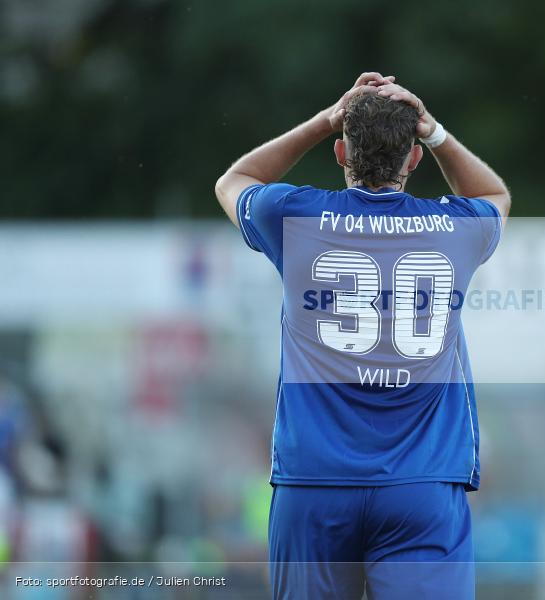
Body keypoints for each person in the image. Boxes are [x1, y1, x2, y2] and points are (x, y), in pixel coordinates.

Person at [214, 72, 510, 600]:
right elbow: (493, 192)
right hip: (422, 483)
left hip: (314, 481)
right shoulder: (456, 228)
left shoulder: (295, 214)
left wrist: (325, 120)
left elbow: (233, 179)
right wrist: (436, 131)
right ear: (413, 158)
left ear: (340, 151)